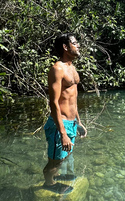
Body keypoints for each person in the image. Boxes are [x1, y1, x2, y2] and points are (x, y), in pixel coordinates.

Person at [42, 33, 87, 194]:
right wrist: (63, 133)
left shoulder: (72, 67)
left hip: (72, 122)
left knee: (64, 157)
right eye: (75, 43)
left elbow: (72, 99)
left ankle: (58, 176)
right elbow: (53, 103)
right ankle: (49, 184)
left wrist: (78, 122)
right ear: (65, 47)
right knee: (55, 161)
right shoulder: (57, 69)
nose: (78, 45)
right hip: (59, 124)